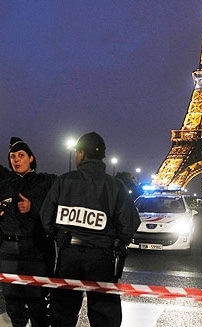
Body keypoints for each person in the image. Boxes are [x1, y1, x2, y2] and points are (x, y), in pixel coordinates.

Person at [40, 131, 140, 327]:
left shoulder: (64, 180)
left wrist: (59, 235)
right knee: (104, 315)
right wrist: (116, 242)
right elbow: (130, 223)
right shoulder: (115, 186)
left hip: (69, 254)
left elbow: (46, 217)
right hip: (102, 258)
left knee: (62, 313)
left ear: (81, 154)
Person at [0, 137, 56, 327]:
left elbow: (55, 212)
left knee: (38, 303)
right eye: (12, 156)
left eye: (21, 155)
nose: (16, 160)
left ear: (31, 158)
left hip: (36, 250)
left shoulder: (45, 182)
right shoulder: (5, 185)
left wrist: (33, 207)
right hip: (8, 249)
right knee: (12, 301)